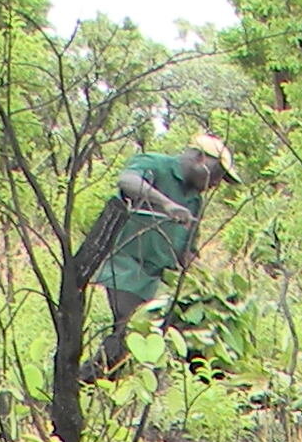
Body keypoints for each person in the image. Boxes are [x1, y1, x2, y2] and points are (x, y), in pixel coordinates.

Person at [80, 133, 239, 381]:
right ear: (199, 158)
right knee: (131, 330)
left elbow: (185, 249)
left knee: (145, 337)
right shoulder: (155, 165)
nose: (216, 184)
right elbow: (127, 181)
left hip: (155, 278)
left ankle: (97, 383)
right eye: (216, 175)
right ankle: (79, 383)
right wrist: (166, 204)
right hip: (124, 264)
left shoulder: (195, 201)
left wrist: (204, 282)